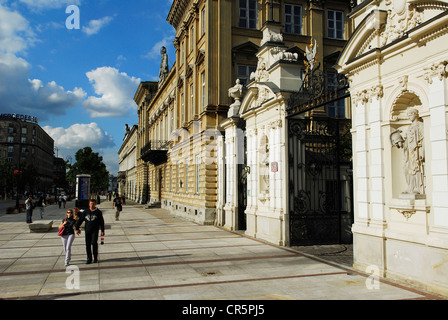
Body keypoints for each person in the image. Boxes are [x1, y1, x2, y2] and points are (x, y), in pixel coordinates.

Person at [75, 199, 105, 264]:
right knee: (87, 244)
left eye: (93, 204)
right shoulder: (86, 211)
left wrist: (102, 230)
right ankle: (89, 258)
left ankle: (95, 258)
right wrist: (77, 228)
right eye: (91, 204)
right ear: (89, 204)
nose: (92, 205)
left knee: (94, 243)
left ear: (95, 204)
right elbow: (80, 220)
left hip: (95, 230)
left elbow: (101, 222)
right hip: (87, 230)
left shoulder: (98, 212)